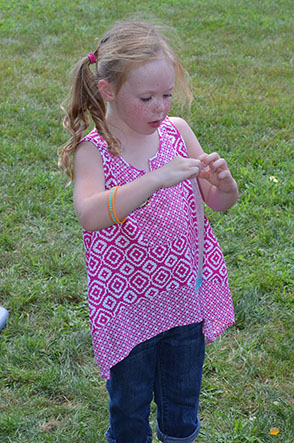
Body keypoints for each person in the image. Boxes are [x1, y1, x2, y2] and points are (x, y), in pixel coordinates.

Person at [59, 19, 238, 443]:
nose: (160, 107)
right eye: (147, 97)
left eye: (167, 95)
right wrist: (155, 179)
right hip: (128, 304)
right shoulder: (94, 151)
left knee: (181, 405)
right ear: (108, 92)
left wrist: (224, 184)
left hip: (182, 296)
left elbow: (216, 200)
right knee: (130, 408)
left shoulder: (178, 132)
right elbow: (89, 213)